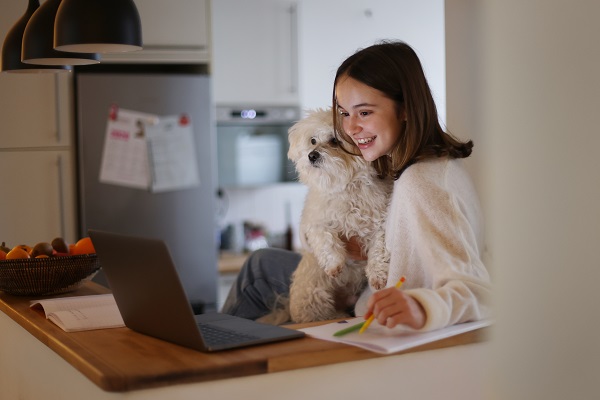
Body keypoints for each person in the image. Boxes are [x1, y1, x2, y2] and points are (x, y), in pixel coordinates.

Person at [222, 40, 491, 332]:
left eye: (364, 113)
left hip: (370, 309)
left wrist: (423, 307)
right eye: (344, 113)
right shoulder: (398, 163)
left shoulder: (422, 182)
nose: (350, 128)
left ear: (405, 109)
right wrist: (355, 248)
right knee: (261, 263)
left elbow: (476, 290)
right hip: (361, 287)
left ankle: (220, 360)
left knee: (258, 274)